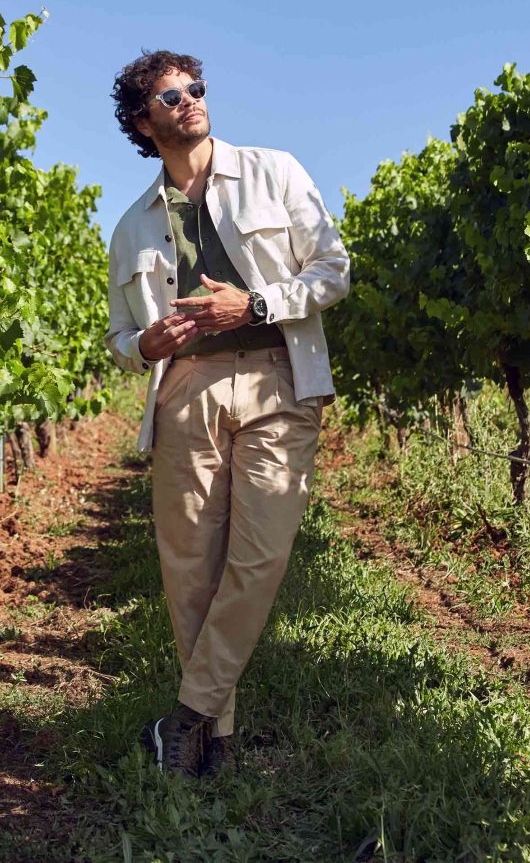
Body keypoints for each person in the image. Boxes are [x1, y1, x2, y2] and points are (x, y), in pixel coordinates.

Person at [106, 49, 349, 779]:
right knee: (191, 571)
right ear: (142, 122)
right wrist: (145, 342)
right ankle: (215, 738)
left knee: (260, 556)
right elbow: (121, 341)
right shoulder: (132, 226)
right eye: (170, 95)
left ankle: (183, 715)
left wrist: (257, 303)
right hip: (187, 388)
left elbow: (333, 270)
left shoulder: (275, 172)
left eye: (195, 88)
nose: (189, 100)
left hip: (279, 376)